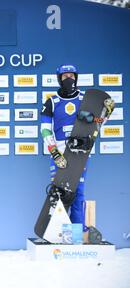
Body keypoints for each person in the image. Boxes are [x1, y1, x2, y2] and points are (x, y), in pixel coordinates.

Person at [40, 64, 114, 238]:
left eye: (71, 76)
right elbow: (45, 130)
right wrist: (55, 153)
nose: (68, 79)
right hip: (59, 153)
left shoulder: (84, 99)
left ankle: (77, 233)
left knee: (78, 192)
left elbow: (96, 123)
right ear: (59, 78)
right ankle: (60, 233)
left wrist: (106, 114)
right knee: (60, 194)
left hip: (80, 152)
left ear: (76, 77)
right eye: (65, 76)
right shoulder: (51, 101)